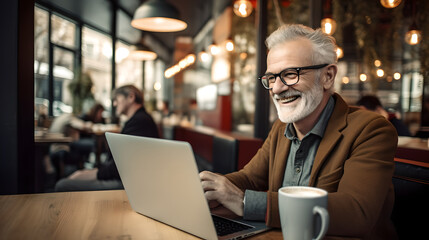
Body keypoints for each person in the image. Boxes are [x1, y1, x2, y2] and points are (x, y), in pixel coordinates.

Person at [199, 24, 398, 239]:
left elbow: (356, 212)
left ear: (328, 76)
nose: (276, 89)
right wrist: (209, 190)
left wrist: (245, 202)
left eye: (290, 74)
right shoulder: (281, 128)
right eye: (272, 78)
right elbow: (249, 178)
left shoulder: (372, 129)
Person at [55, 85, 159, 191]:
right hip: (129, 179)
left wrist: (92, 174)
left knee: (62, 185)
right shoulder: (140, 120)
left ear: (131, 97)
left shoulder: (139, 122)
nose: (114, 104)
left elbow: (122, 167)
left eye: (116, 99)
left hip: (129, 184)